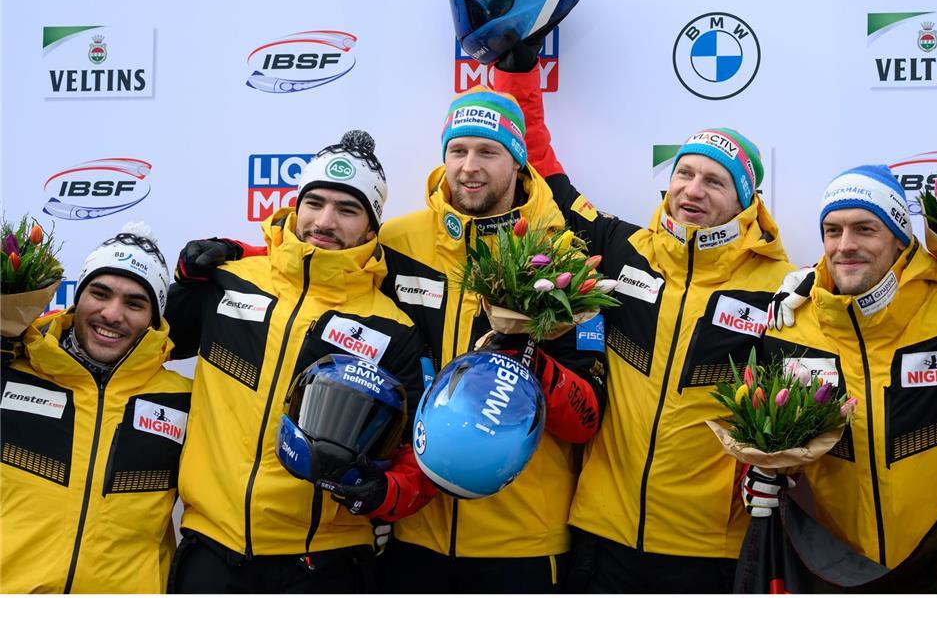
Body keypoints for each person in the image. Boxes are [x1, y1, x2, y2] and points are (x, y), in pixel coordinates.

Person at [493, 55, 796, 593]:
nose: (693, 191)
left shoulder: (782, 287)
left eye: (715, 182)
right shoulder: (621, 248)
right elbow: (542, 174)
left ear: (745, 201)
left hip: (710, 547)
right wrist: (518, 73)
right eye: (684, 172)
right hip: (601, 530)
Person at [164, 130, 433, 593]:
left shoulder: (395, 329)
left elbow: (417, 455)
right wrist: (185, 284)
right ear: (295, 207)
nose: (325, 221)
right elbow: (141, 347)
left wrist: (385, 494)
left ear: (372, 229)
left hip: (324, 561)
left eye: (347, 209)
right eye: (315, 202)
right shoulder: (229, 281)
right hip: (212, 547)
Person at [376, 86, 607, 593]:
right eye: (458, 150)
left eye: (488, 151)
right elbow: (322, 258)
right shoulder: (398, 242)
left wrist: (531, 362)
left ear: (518, 162)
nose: (469, 167)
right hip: (416, 533)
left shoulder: (561, 254)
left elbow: (587, 418)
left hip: (521, 541)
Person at [740, 165, 937, 589]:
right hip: (833, 572)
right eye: (832, 231)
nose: (845, 246)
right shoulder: (788, 327)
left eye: (865, 229)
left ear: (899, 237)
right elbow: (777, 444)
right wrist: (764, 477)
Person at [1, 223, 189, 593]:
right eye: (99, 294)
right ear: (77, 299)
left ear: (154, 320)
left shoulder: (184, 401)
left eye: (135, 303)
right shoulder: (13, 371)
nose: (112, 313)